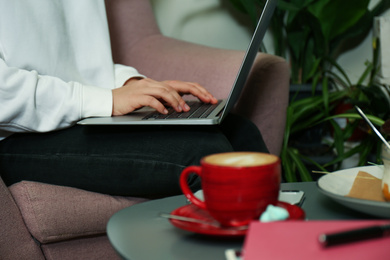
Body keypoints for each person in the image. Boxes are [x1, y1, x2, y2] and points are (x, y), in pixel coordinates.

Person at [0, 0, 268, 198]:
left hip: (74, 113)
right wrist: (107, 100)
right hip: (14, 136)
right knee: (205, 155)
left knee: (240, 132)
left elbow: (74, 63)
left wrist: (132, 84)